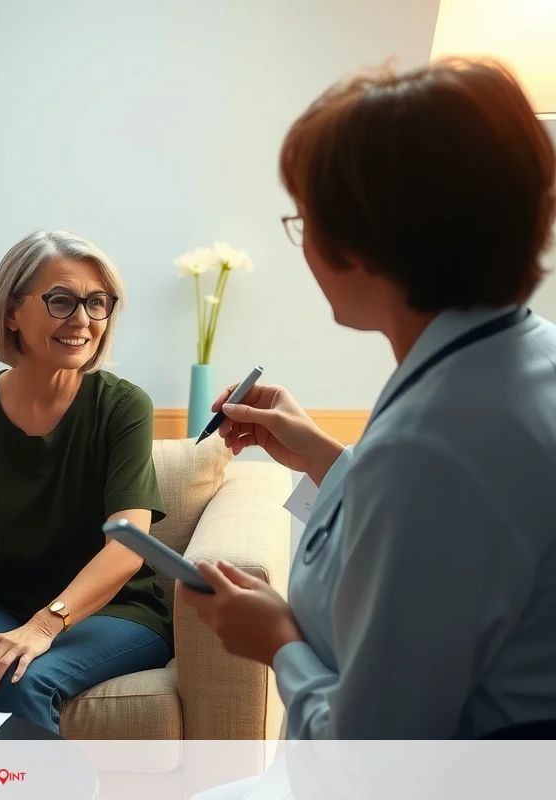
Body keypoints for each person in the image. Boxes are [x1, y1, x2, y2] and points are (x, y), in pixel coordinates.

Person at [178, 54, 556, 752]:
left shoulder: (432, 443)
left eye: (305, 221)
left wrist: (278, 644)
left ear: (364, 244)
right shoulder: (522, 362)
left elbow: (374, 764)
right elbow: (456, 530)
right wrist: (324, 455)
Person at [0, 228, 172, 734]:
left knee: (20, 677)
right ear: (11, 312)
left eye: (97, 303)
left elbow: (128, 545)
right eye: (62, 301)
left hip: (111, 611)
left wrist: (45, 625)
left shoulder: (124, 406)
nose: (83, 321)